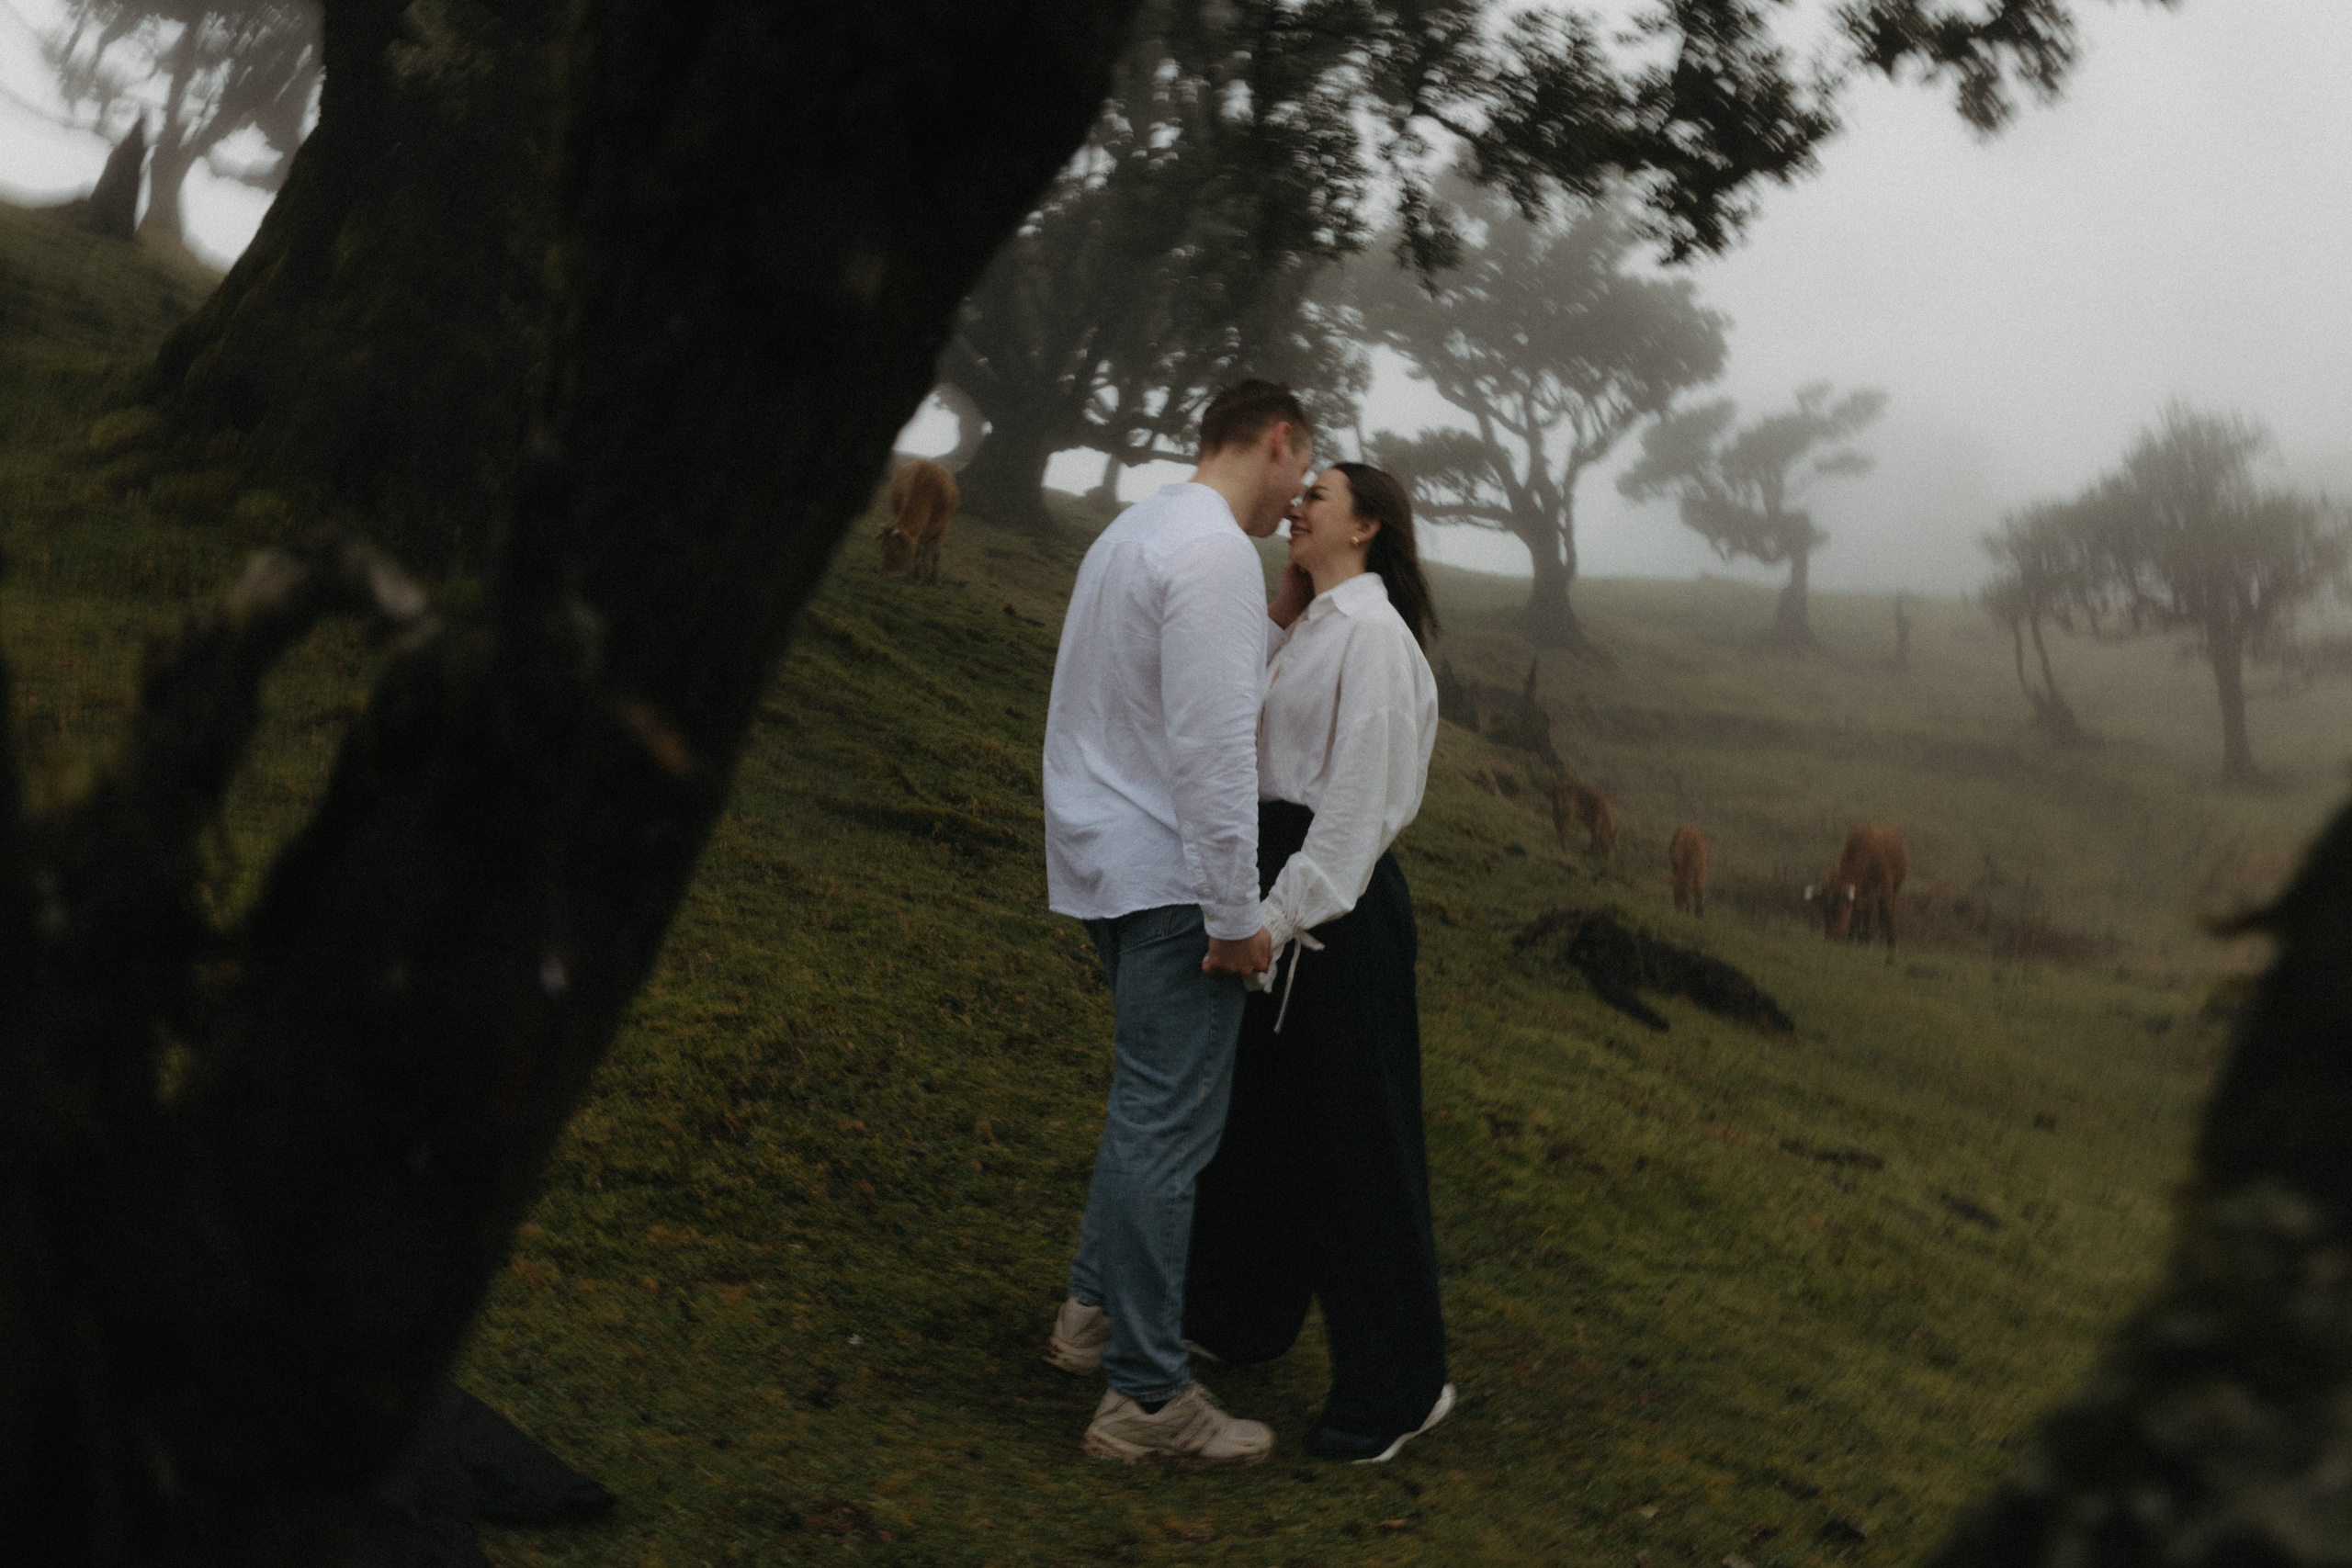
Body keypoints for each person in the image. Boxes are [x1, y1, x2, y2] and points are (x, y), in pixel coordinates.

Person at [1040, 380, 1314, 1465]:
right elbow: (1212, 752)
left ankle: (1090, 1315)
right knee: (1171, 1132)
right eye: (1303, 468)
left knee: (1142, 1111)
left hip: (1106, 864)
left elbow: (1131, 698)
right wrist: (1236, 914)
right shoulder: (1210, 556)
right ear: (1279, 441)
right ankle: (1146, 1399)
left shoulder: (1138, 529)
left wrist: (1279, 614)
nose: (1297, 497)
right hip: (1172, 883)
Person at [1181, 462, 1455, 1464]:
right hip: (1275, 893)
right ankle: (1238, 1313)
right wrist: (1284, 611)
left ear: (1369, 525)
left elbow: (1354, 811)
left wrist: (1275, 917)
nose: (1296, 503)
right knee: (1261, 1120)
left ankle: (1401, 1386)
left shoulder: (1377, 642)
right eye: (1297, 493)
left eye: (1320, 494)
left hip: (1332, 915)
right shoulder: (1317, 628)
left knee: (1357, 1149)